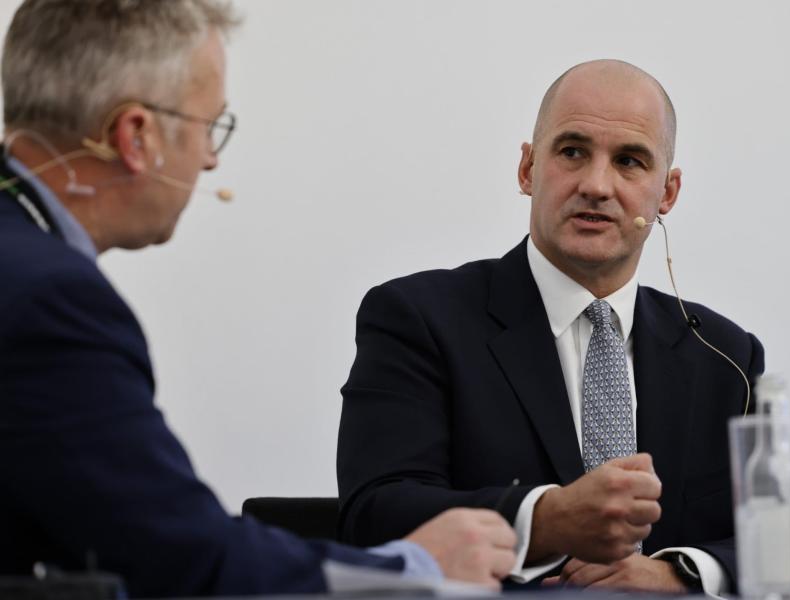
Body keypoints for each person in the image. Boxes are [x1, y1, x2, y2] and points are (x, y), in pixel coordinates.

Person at [0, 1, 516, 597]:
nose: (211, 158)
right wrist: (419, 566)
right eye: (208, 126)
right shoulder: (51, 301)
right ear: (137, 136)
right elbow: (184, 558)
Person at [337, 59, 790, 596]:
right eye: (572, 152)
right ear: (527, 169)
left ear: (667, 193)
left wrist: (677, 572)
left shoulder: (725, 355)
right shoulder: (418, 317)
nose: (596, 184)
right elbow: (374, 511)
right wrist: (544, 519)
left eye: (630, 161)